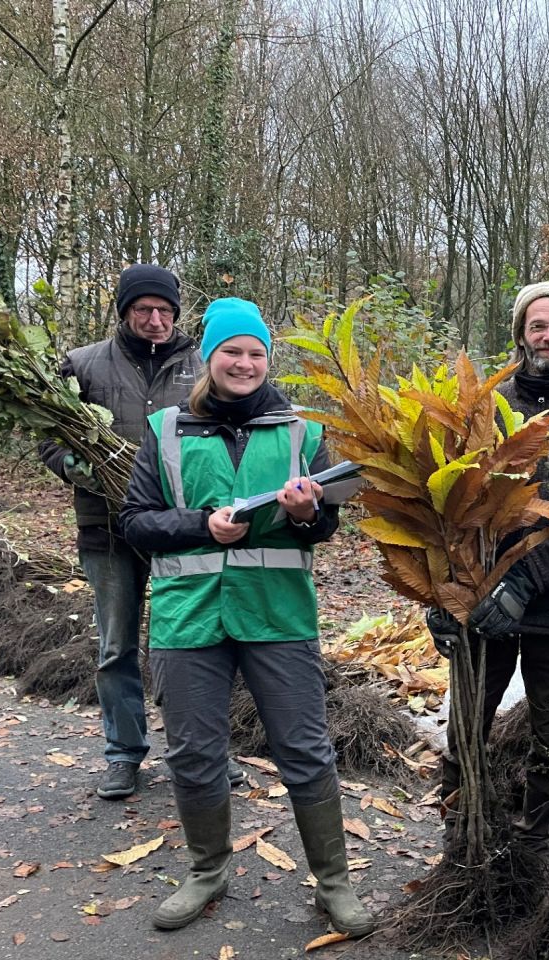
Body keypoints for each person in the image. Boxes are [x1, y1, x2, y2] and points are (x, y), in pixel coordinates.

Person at [118, 298, 374, 936]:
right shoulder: (165, 429)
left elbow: (325, 526)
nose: (245, 363)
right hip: (188, 618)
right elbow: (135, 522)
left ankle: (333, 884)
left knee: (306, 752)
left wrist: (305, 514)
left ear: (268, 360)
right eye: (232, 351)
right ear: (209, 357)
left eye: (257, 353)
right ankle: (207, 871)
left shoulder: (301, 432)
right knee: (194, 753)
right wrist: (198, 526)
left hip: (278, 616)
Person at [39, 265, 243, 800]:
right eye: (143, 311)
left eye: (164, 311)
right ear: (124, 312)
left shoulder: (201, 365)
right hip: (106, 529)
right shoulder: (81, 365)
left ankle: (204, 751)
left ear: (177, 314)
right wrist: (76, 467)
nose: (155, 321)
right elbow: (49, 439)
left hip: (181, 528)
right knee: (116, 644)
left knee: (197, 642)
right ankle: (124, 754)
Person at [425, 281, 549, 853]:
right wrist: (440, 598)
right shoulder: (479, 407)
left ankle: (531, 844)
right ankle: (462, 834)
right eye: (538, 325)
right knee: (467, 722)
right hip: (479, 597)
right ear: (520, 334)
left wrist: (529, 577)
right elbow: (442, 502)